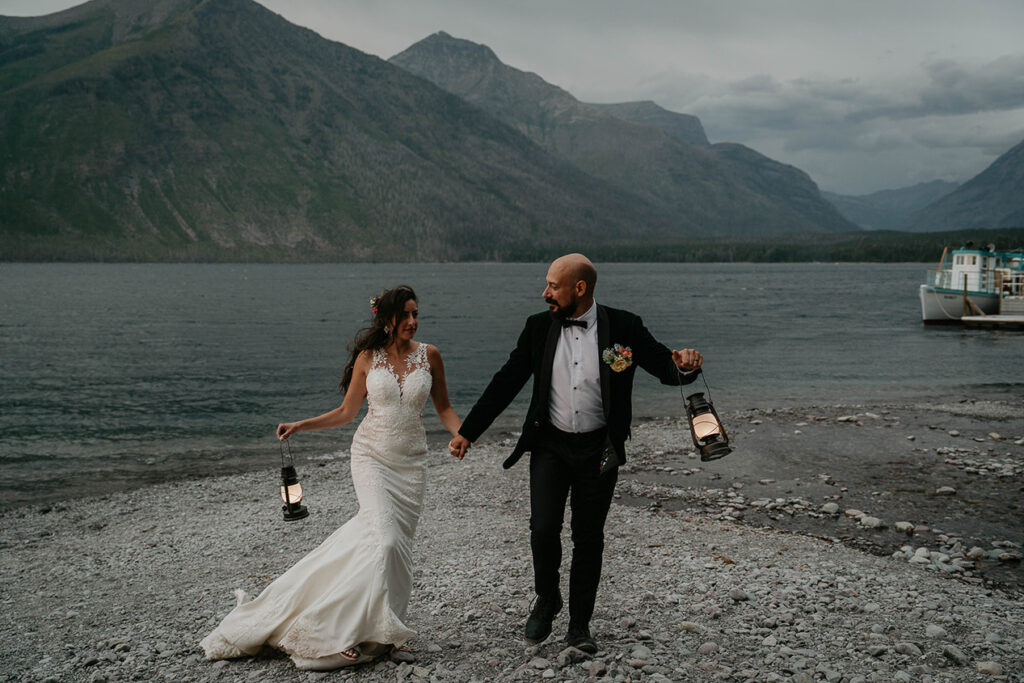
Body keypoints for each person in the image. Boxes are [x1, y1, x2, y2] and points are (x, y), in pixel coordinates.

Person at [448, 254, 702, 654]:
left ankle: (580, 624)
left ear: (579, 289)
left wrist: (686, 365)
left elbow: (665, 367)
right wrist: (468, 431)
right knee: (543, 528)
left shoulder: (624, 326)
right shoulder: (537, 328)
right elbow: (507, 380)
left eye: (552, 285)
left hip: (601, 449)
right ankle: (547, 598)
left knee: (589, 536)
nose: (544, 292)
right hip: (550, 444)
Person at [200, 285, 462, 670]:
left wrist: (461, 434)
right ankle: (334, 631)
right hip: (371, 457)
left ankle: (382, 631)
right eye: (405, 314)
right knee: (386, 541)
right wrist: (301, 425)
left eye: (416, 314)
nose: (412, 321)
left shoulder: (431, 356)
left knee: (394, 548)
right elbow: (346, 412)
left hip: (412, 466)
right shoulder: (368, 358)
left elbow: (445, 408)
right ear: (386, 318)